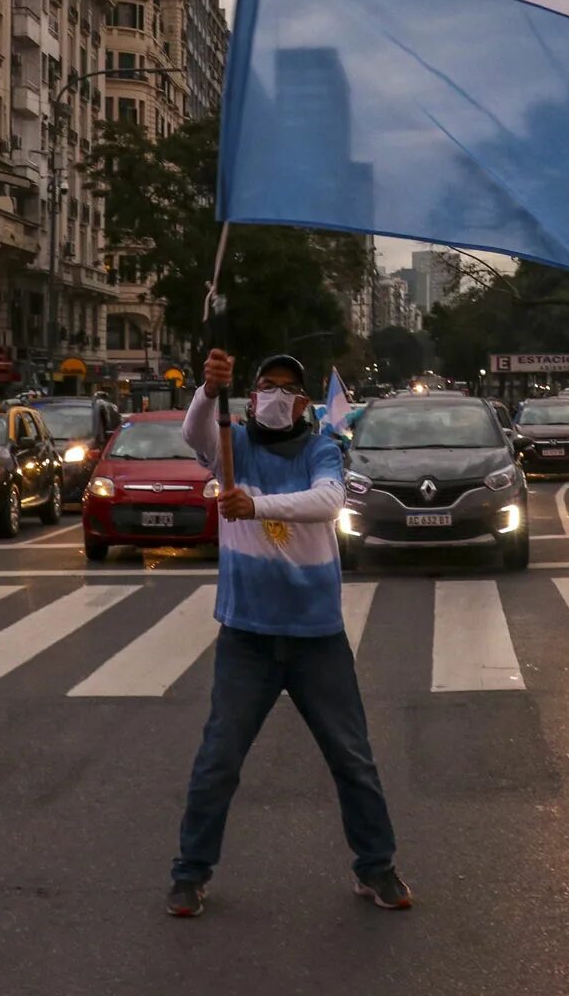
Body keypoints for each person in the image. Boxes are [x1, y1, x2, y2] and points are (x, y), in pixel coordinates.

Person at [166, 348, 405, 919]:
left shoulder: (321, 448)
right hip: (246, 634)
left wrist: (254, 504)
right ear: (251, 397)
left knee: (352, 757)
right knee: (218, 759)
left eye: (287, 389)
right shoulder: (233, 446)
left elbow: (327, 501)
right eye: (265, 386)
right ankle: (190, 874)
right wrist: (207, 387)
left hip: (315, 634)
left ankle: (376, 866)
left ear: (304, 401)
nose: (275, 396)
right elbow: (192, 431)